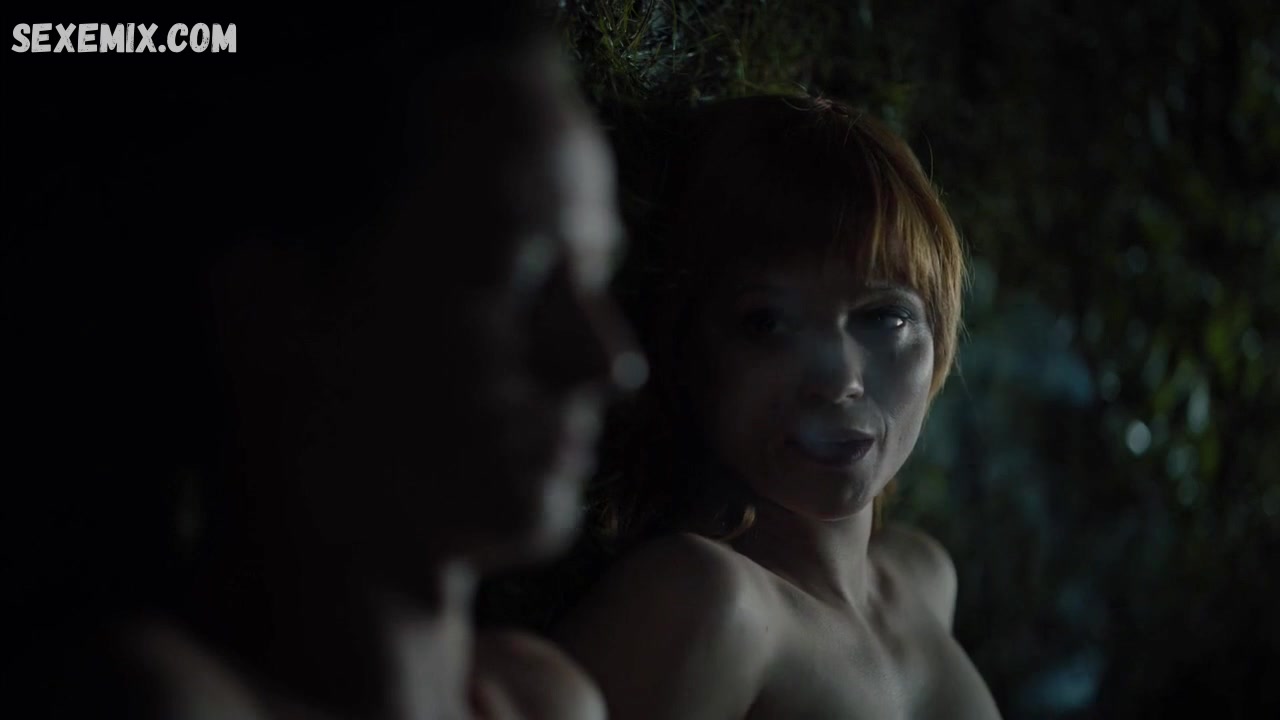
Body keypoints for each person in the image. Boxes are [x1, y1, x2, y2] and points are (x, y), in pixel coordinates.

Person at [7, 7, 642, 719]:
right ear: (272, 305)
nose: (608, 361)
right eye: (518, 277)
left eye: (596, 277)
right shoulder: (146, 702)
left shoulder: (545, 698)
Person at [555, 95, 1003, 719]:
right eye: (767, 323)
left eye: (885, 317)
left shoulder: (924, 577)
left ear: (941, 337)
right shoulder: (704, 603)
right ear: (689, 350)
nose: (839, 380)